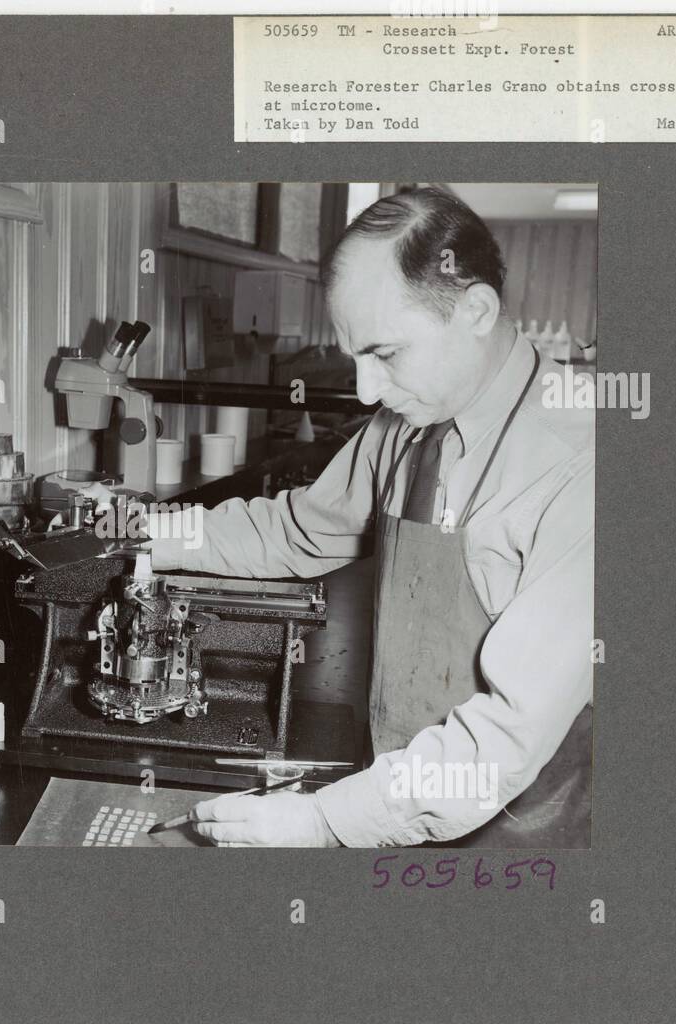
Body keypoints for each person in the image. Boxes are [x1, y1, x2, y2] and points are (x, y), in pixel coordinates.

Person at [148, 188, 594, 848]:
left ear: (474, 308)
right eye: (356, 355)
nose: (365, 391)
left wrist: (324, 819)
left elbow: (502, 740)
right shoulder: (403, 423)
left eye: (385, 353)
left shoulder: (582, 457)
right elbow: (296, 530)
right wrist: (151, 534)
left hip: (521, 833)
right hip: (386, 798)